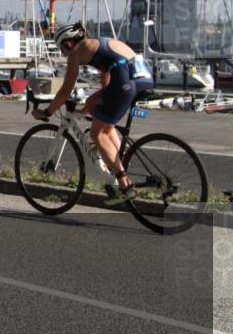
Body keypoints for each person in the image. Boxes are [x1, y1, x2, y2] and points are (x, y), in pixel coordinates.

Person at [31, 22, 154, 206]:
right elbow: (106, 75)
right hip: (143, 77)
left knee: (97, 134)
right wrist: (94, 107)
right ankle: (118, 163)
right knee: (93, 107)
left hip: (125, 81)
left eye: (62, 50)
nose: (64, 55)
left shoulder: (77, 52)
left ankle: (125, 185)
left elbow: (65, 92)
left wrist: (47, 111)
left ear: (68, 43)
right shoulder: (97, 43)